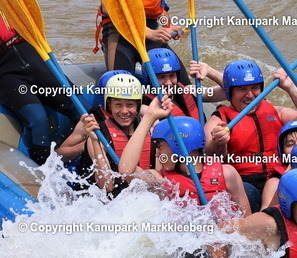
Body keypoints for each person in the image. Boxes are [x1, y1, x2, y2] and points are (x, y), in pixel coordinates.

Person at [204, 59, 297, 209]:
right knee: (248, 191)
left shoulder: (275, 112)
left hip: (278, 178)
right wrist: (218, 142)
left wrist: (290, 88)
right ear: (229, 91)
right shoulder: (219, 118)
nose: (250, 95)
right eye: (241, 89)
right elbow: (208, 152)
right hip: (244, 184)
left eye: (255, 88)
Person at [117, 100, 251, 216]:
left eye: (160, 147)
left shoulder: (227, 173)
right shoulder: (161, 181)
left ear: (179, 147)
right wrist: (149, 117)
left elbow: (247, 222)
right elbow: (126, 170)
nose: (157, 154)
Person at [0, 12, 79, 164]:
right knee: (38, 119)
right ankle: (45, 171)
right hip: (6, 73)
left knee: (82, 108)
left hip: (33, 56)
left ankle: (89, 160)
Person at [56, 74, 155, 194]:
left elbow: (161, 179)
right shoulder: (97, 130)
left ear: (138, 106)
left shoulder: (150, 129)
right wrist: (92, 142)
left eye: (130, 105)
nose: (124, 111)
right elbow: (107, 187)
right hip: (101, 198)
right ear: (109, 105)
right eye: (118, 105)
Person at [94, 1, 191, 86]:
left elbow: (159, 8)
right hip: (120, 34)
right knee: (119, 87)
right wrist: (146, 32)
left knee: (184, 86)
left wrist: (168, 26)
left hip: (152, 33)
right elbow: (108, 8)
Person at [140, 48, 226, 119]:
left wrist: (209, 71)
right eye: (161, 77)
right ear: (148, 78)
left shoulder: (189, 90)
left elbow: (228, 92)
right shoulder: (145, 107)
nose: (168, 83)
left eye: (172, 75)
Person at [260, 120, 297, 210]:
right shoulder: (275, 183)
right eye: (290, 144)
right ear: (283, 152)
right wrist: (285, 183)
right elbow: (263, 216)